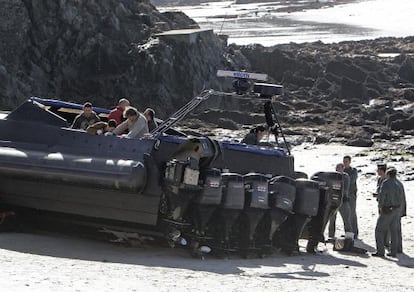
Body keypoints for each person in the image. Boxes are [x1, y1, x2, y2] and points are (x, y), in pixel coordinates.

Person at [372, 167, 403, 257]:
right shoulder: (399, 183)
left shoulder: (386, 183)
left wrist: (380, 207)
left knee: (379, 230)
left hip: (387, 209)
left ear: (388, 174)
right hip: (396, 209)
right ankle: (394, 251)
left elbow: (382, 197)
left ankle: (380, 251)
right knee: (394, 231)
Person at [328, 163, 353, 240]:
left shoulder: (345, 177)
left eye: (339, 168)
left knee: (346, 219)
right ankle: (331, 235)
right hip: (334, 200)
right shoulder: (333, 176)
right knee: (332, 219)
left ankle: (349, 236)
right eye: (337, 168)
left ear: (342, 169)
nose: (338, 169)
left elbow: (344, 189)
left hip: (343, 201)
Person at [343, 155, 359, 239]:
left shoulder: (353, 171)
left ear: (349, 162)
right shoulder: (342, 171)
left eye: (346, 161)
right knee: (346, 214)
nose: (345, 163)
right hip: (344, 195)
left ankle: (355, 233)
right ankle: (348, 233)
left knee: (352, 213)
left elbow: (351, 181)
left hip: (351, 194)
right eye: (344, 161)